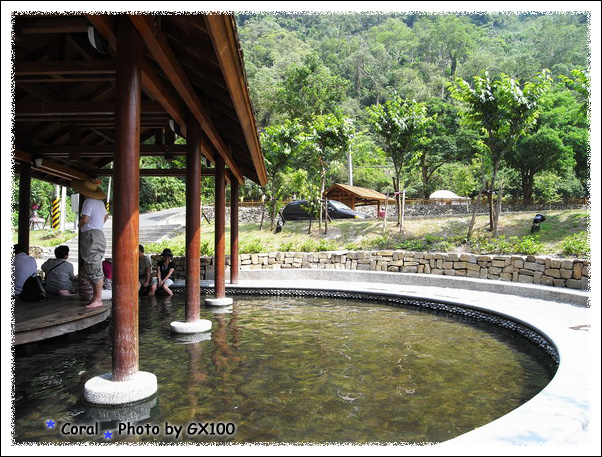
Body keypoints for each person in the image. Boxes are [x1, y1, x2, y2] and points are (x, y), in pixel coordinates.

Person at [72, 177, 108, 309]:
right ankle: (95, 297)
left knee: (93, 266)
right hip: (98, 234)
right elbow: (106, 216)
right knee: (93, 264)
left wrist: (79, 225)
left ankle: (98, 299)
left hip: (90, 235)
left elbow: (85, 219)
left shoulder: (88, 202)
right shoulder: (100, 203)